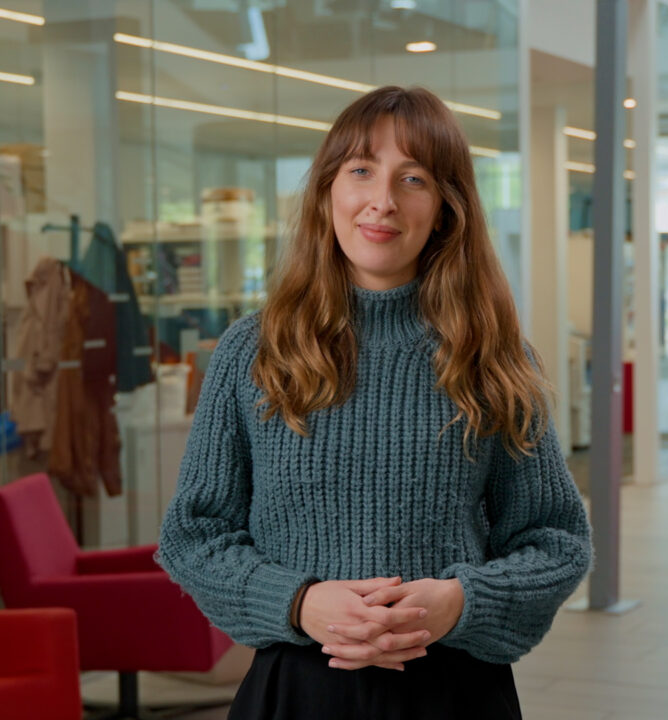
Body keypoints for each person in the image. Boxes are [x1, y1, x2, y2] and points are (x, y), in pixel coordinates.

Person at [156, 85, 593, 720]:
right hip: (297, 691)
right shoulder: (255, 350)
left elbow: (556, 540)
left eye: (412, 178)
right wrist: (299, 602)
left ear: (445, 207)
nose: (382, 201)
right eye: (361, 170)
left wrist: (459, 601)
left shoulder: (493, 356)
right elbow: (193, 536)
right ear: (329, 188)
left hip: (454, 690)